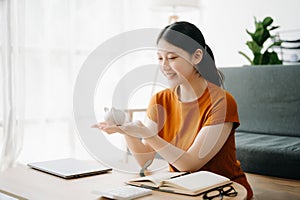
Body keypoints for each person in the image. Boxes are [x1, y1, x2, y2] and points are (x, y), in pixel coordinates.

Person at [93, 21, 253, 199]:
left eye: (172, 58)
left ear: (197, 56)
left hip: (222, 191)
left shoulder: (222, 102)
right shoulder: (160, 100)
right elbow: (145, 160)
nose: (164, 65)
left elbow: (190, 164)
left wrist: (148, 134)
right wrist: (127, 130)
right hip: (182, 190)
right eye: (160, 58)